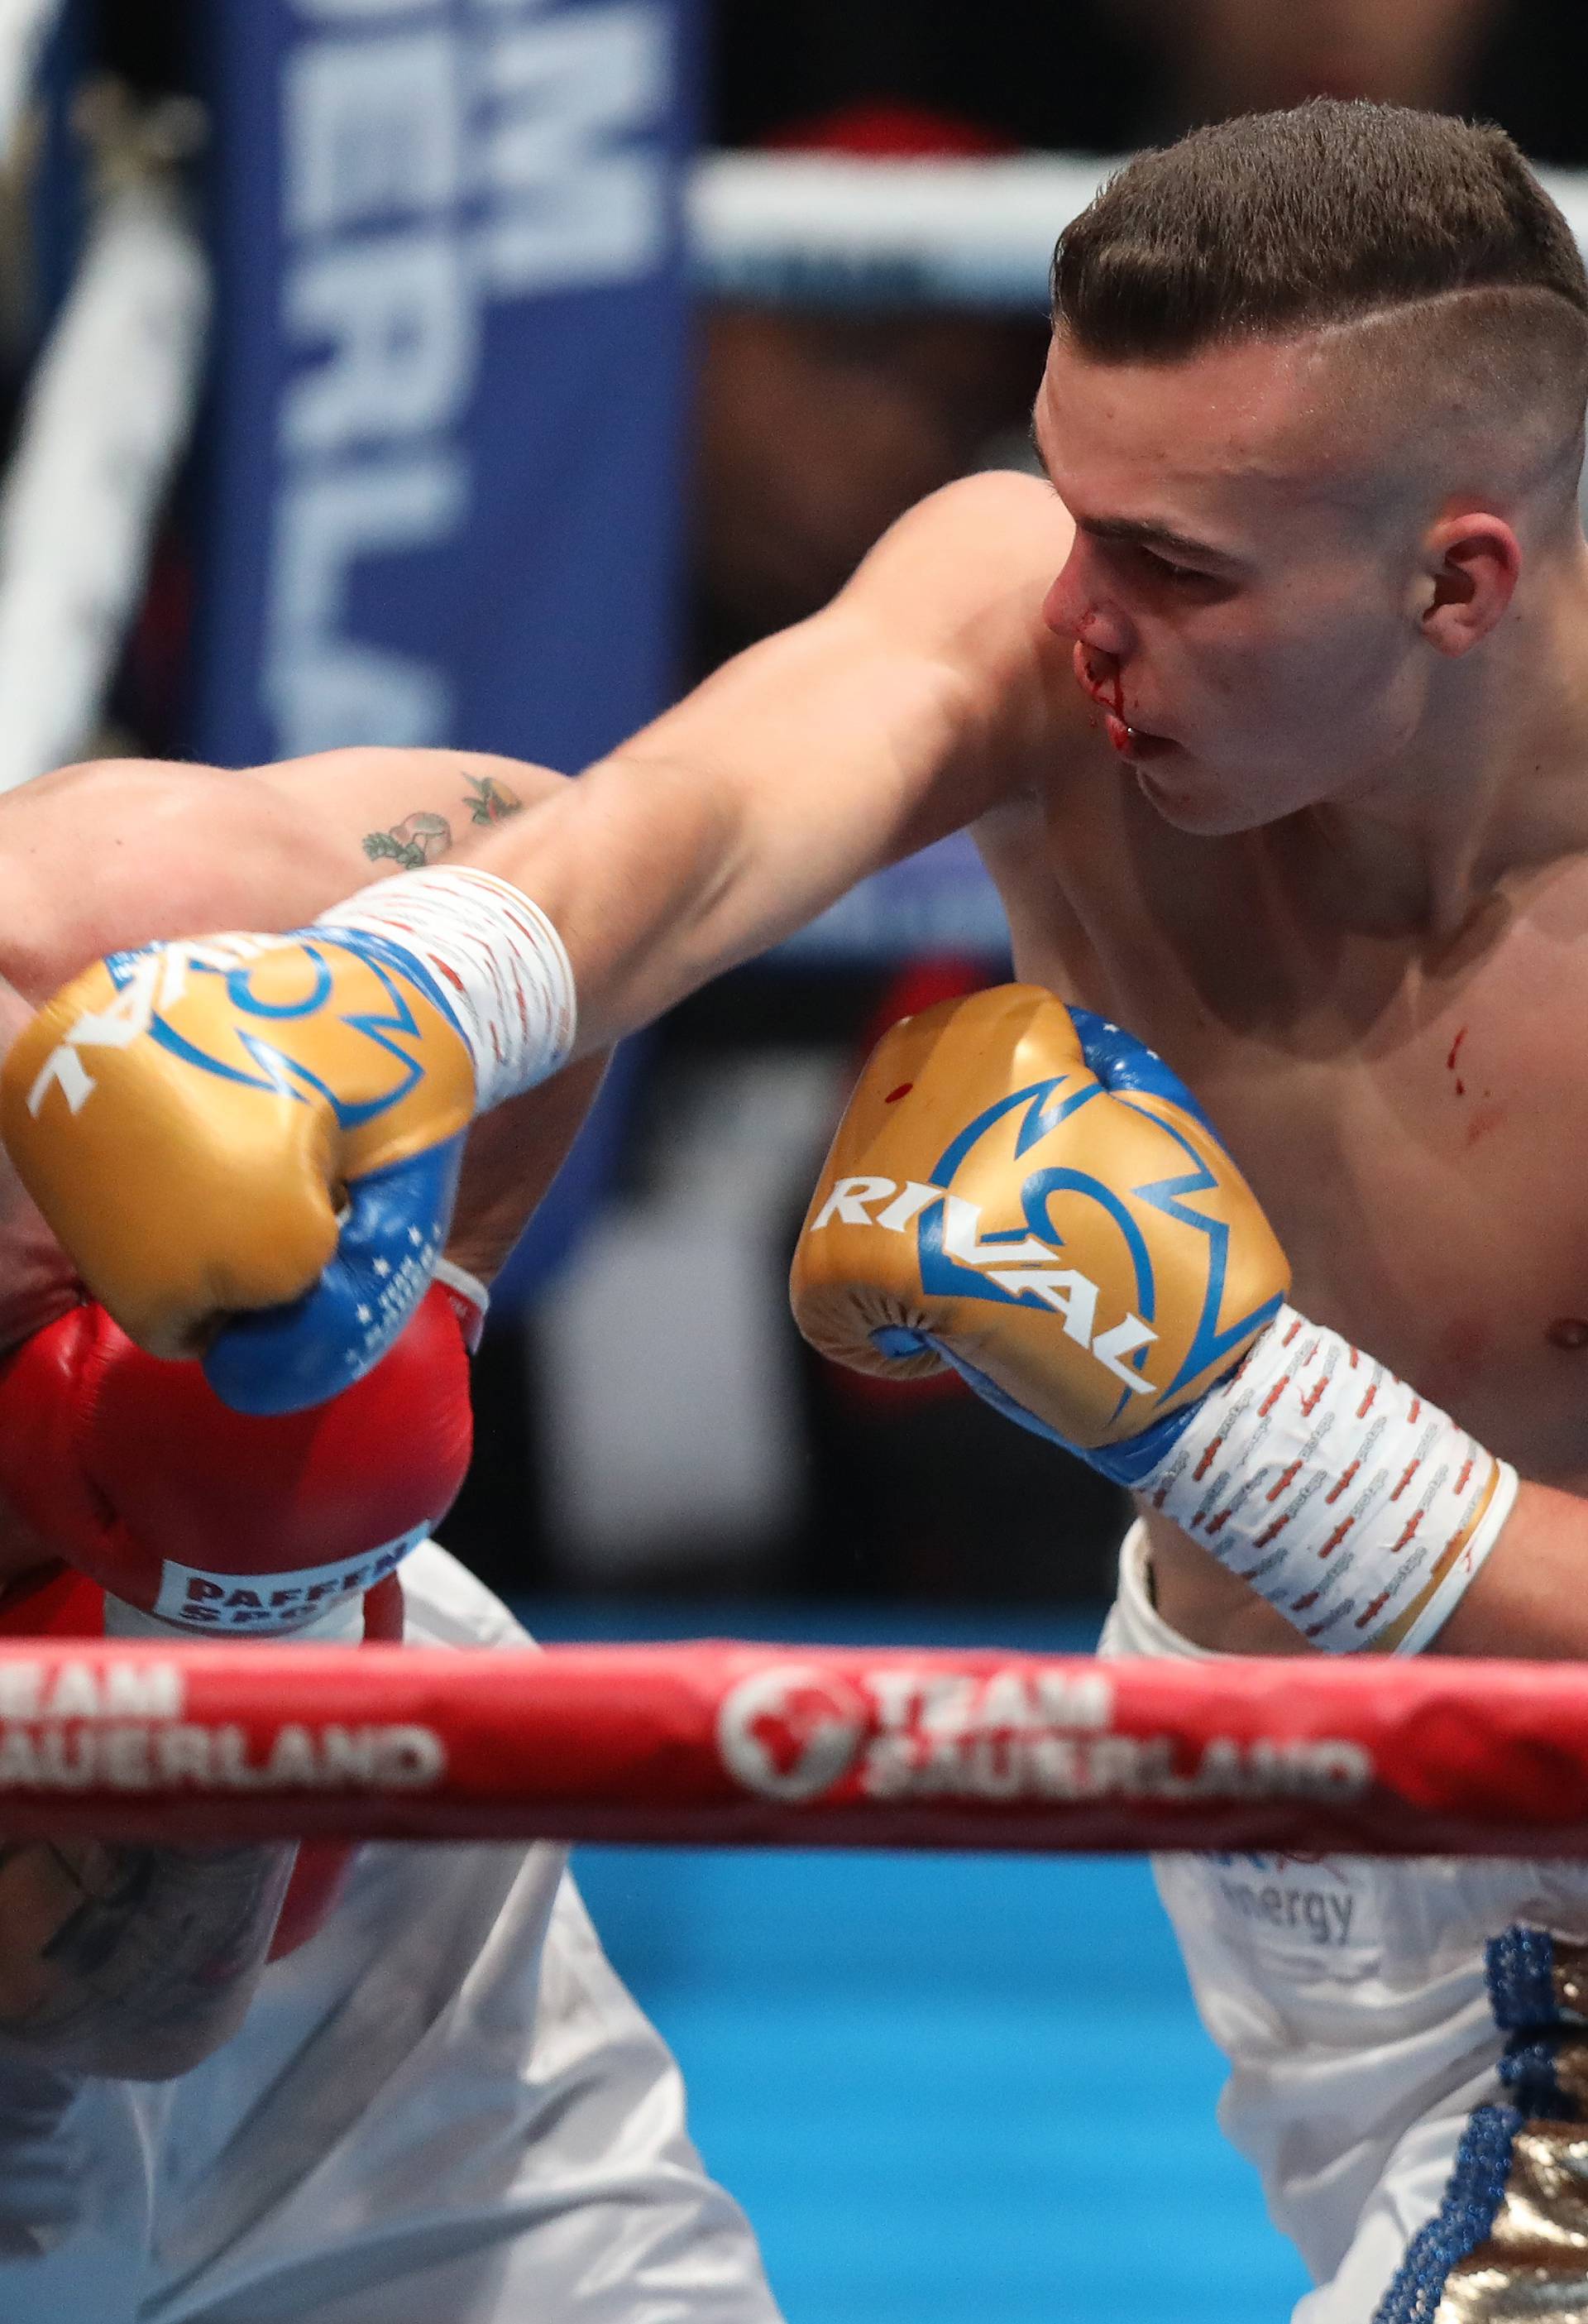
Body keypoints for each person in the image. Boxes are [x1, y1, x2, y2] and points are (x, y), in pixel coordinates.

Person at [13, 93, 1588, 2316]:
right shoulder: (1044, 607)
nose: (1089, 623)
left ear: (1458, 578)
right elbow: (709, 813)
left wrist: (1250, 1430)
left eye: (1186, 571)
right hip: (1281, 1836)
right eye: (1076, 511)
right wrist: (380, 1014)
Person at [0, 745, 782, 2318]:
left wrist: (424, 1297)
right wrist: (258, 1547)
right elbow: (121, 2001)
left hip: (384, 2021)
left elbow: (549, 846)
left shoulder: (121, 916)